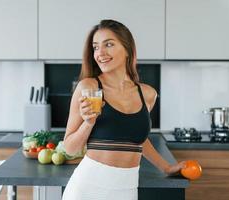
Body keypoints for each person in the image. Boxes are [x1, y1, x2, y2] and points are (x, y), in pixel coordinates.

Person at [62, 19, 185, 200]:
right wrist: (88, 124)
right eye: (96, 47)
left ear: (128, 50)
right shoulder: (88, 88)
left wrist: (166, 167)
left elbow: (137, 138)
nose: (100, 53)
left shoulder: (148, 94)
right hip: (87, 188)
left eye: (109, 44)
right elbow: (70, 148)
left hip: (126, 190)